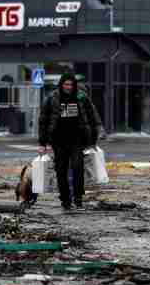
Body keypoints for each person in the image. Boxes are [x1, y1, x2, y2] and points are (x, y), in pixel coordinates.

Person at [38, 72, 103, 211]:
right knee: (60, 170)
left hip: (77, 139)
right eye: (66, 84)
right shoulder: (52, 98)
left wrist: (93, 139)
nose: (68, 87)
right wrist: (42, 143)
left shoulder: (81, 96)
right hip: (58, 140)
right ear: (61, 84)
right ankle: (65, 199)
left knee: (77, 167)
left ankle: (78, 197)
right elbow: (43, 120)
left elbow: (92, 116)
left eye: (71, 84)